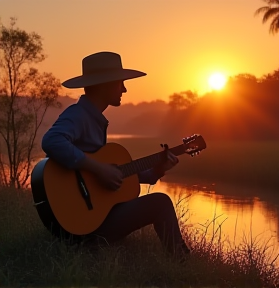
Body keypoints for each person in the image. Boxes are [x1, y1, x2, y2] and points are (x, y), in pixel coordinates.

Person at [41, 51, 190, 257]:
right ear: (104, 84)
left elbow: (116, 176)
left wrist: (157, 169)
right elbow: (51, 141)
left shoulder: (93, 118)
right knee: (161, 203)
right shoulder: (78, 115)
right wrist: (98, 168)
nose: (125, 89)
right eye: (120, 83)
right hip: (81, 227)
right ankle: (181, 262)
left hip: (88, 222)